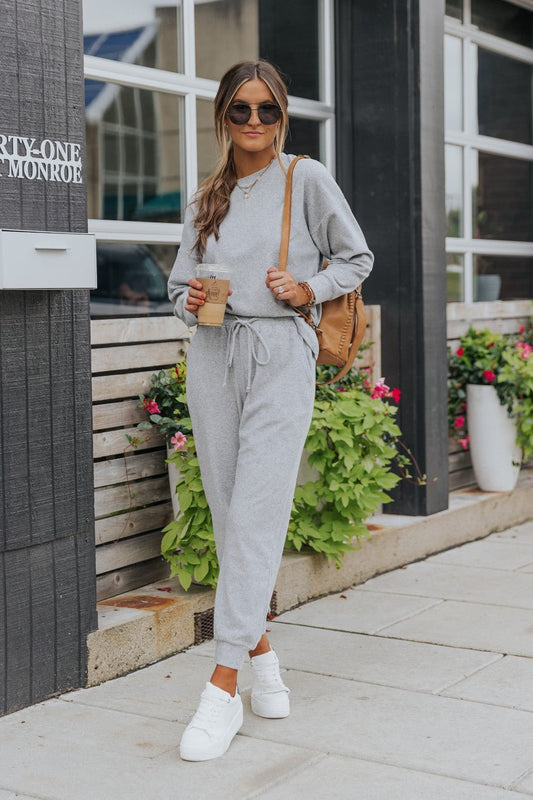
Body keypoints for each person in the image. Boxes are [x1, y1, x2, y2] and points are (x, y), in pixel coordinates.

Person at [167, 59, 373, 761]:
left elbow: (357, 257)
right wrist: (190, 303)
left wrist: (305, 288)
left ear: (281, 115)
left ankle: (222, 687)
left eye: (266, 111)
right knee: (228, 510)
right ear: (222, 117)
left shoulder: (303, 178)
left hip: (281, 357)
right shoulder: (204, 200)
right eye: (240, 111)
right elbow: (175, 287)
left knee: (256, 509)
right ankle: (262, 654)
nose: (253, 123)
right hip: (214, 355)